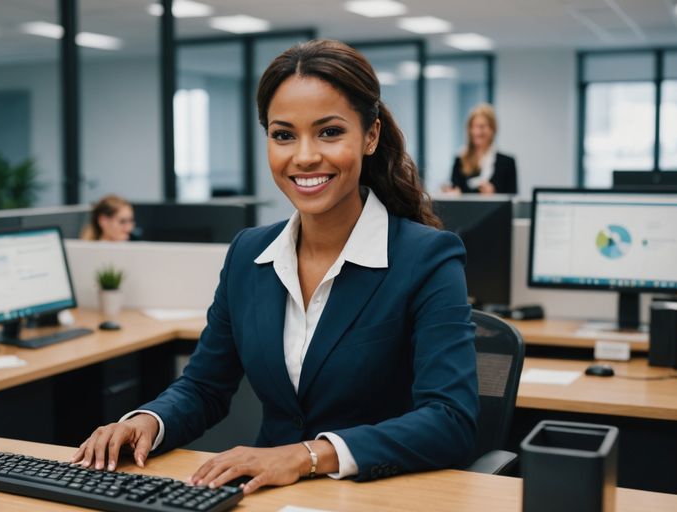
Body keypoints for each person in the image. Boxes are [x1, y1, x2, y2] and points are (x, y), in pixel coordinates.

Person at [71, 39, 478, 493]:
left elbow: (450, 421)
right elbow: (205, 386)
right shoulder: (249, 254)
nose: (303, 156)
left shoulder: (427, 257)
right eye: (283, 135)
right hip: (269, 498)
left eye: (329, 132)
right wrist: (148, 420)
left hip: (378, 497)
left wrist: (306, 455)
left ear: (370, 136)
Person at [445, 103, 517, 195]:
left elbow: (512, 200)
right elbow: (454, 188)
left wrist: (494, 194)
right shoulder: (460, 159)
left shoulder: (507, 163)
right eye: (473, 126)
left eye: (482, 127)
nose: (477, 132)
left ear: (493, 129)